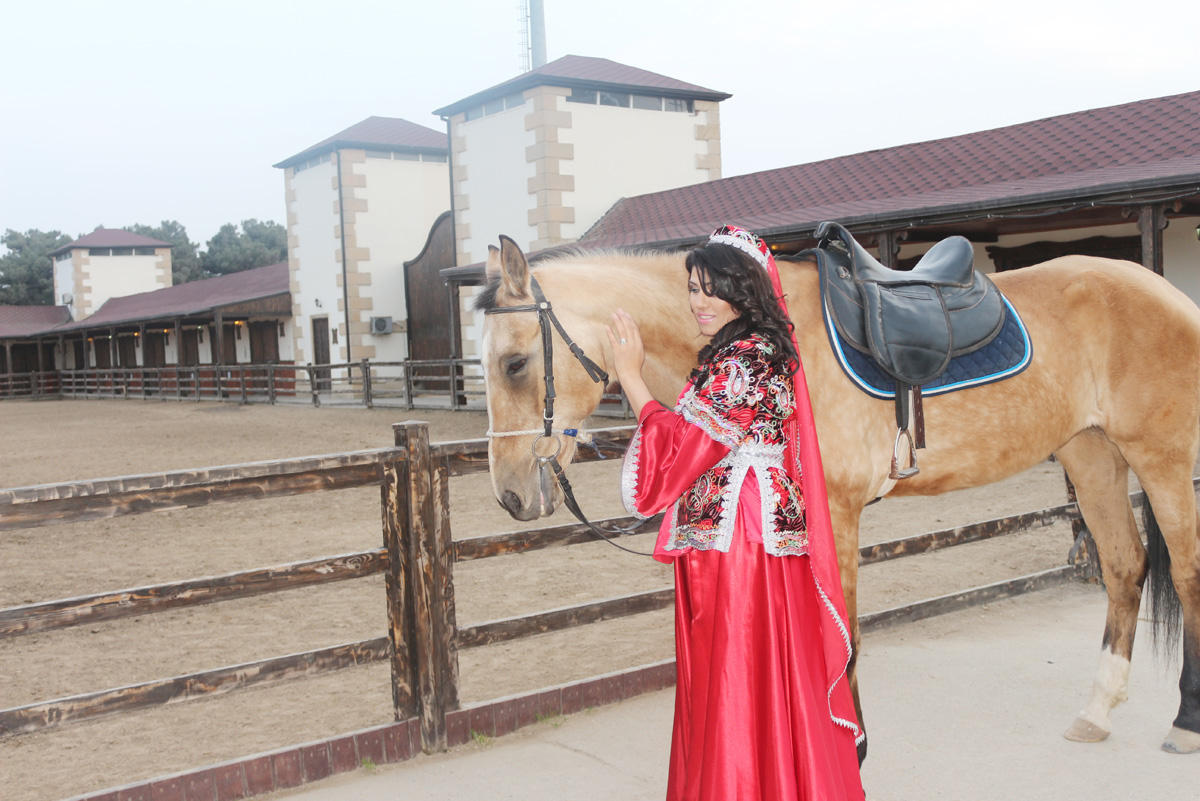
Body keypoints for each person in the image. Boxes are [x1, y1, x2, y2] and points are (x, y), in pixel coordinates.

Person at [606, 225, 866, 801]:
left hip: (745, 541)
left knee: (738, 670)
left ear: (742, 290)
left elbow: (690, 446)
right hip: (732, 536)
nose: (697, 301)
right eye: (692, 288)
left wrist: (630, 373)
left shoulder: (749, 358)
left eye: (709, 289)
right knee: (734, 672)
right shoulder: (733, 352)